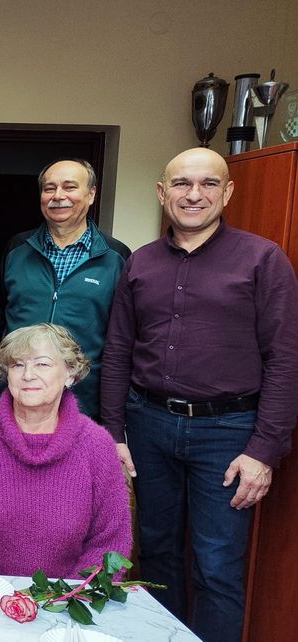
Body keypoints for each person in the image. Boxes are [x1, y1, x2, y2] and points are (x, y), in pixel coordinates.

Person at [100, 148, 298, 642]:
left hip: (228, 435)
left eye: (208, 183)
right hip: (148, 426)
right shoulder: (140, 262)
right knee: (156, 554)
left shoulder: (263, 259)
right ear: (162, 193)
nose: (194, 194)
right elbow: (119, 350)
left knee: (217, 567)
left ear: (227, 192)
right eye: (181, 183)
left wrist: (264, 451)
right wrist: (113, 434)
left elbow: (285, 358)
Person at [0, 323, 131, 579]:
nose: (28, 374)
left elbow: (111, 542)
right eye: (18, 365)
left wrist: (66, 595)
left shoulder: (97, 445)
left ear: (70, 374)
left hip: (69, 598)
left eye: (42, 364)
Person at [0, 158, 130, 419]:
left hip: (85, 403)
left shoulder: (116, 257)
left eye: (69, 187)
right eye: (50, 188)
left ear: (91, 194)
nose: (58, 196)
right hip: (17, 397)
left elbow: (121, 339)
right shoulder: (17, 249)